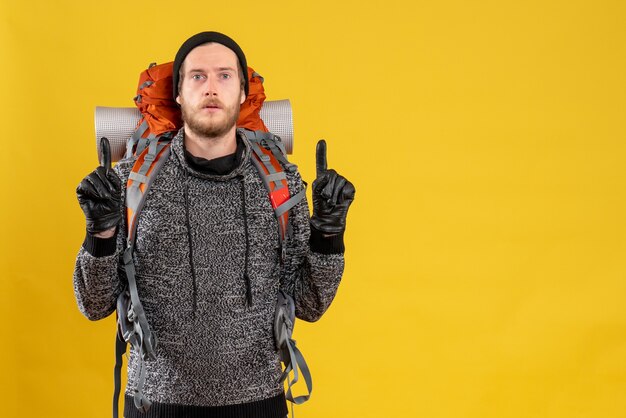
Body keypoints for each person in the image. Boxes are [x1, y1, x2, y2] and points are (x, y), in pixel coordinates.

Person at [74, 31, 355, 418]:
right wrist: (99, 234)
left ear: (242, 92)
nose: (211, 88)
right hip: (154, 403)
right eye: (197, 76)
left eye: (225, 76)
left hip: (259, 402)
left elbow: (309, 304)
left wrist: (329, 234)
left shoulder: (280, 183)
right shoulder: (130, 183)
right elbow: (94, 305)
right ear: (178, 93)